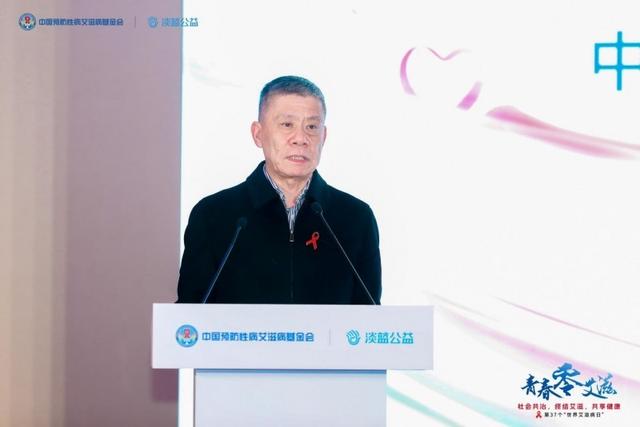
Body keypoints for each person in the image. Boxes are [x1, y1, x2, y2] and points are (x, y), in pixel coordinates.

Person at [176, 75, 381, 304]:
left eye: (312, 127)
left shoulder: (356, 218)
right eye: (287, 125)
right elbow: (188, 316)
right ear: (258, 134)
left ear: (323, 137)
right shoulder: (213, 215)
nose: (300, 139)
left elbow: (370, 316)